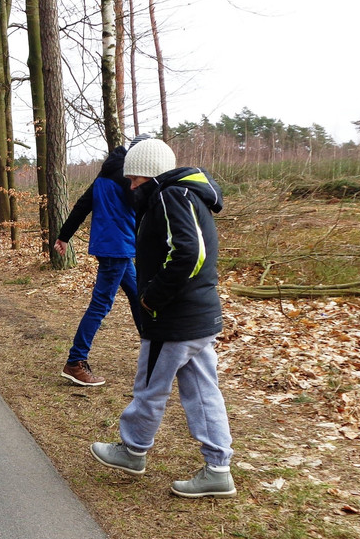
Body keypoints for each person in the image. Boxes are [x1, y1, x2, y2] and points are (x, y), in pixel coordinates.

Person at [89, 138, 236, 497]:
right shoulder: (185, 195)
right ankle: (218, 469)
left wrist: (152, 297)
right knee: (204, 391)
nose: (132, 187)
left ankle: (133, 450)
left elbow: (189, 254)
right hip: (197, 318)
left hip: (174, 319)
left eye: (136, 180)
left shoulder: (171, 196)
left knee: (150, 388)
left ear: (153, 175)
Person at [55, 143, 143, 386]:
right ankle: (75, 361)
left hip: (114, 248)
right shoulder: (128, 178)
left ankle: (153, 351)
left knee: (137, 296)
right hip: (117, 248)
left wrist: (64, 236)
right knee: (100, 305)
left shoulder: (104, 176)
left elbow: (82, 205)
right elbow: (142, 208)